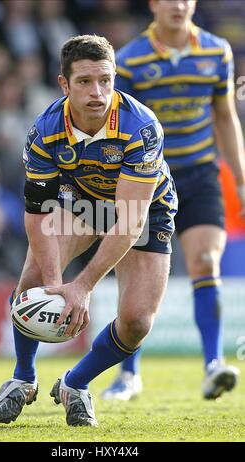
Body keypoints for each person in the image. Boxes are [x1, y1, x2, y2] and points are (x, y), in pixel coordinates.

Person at [0, 34, 177, 427]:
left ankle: (75, 383)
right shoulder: (44, 131)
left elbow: (130, 219)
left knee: (138, 321)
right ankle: (23, 378)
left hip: (144, 211)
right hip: (85, 205)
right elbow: (38, 214)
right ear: (64, 84)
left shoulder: (140, 128)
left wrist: (84, 286)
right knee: (33, 280)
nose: (97, 92)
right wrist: (58, 282)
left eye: (106, 80)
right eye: (85, 82)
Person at [101, 0, 245, 402]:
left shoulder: (217, 52)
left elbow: (225, 116)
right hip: (147, 181)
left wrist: (242, 179)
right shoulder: (130, 60)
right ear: (153, 5)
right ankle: (127, 375)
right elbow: (120, 128)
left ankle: (213, 365)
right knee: (135, 280)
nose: (179, 5)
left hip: (200, 174)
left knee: (205, 262)